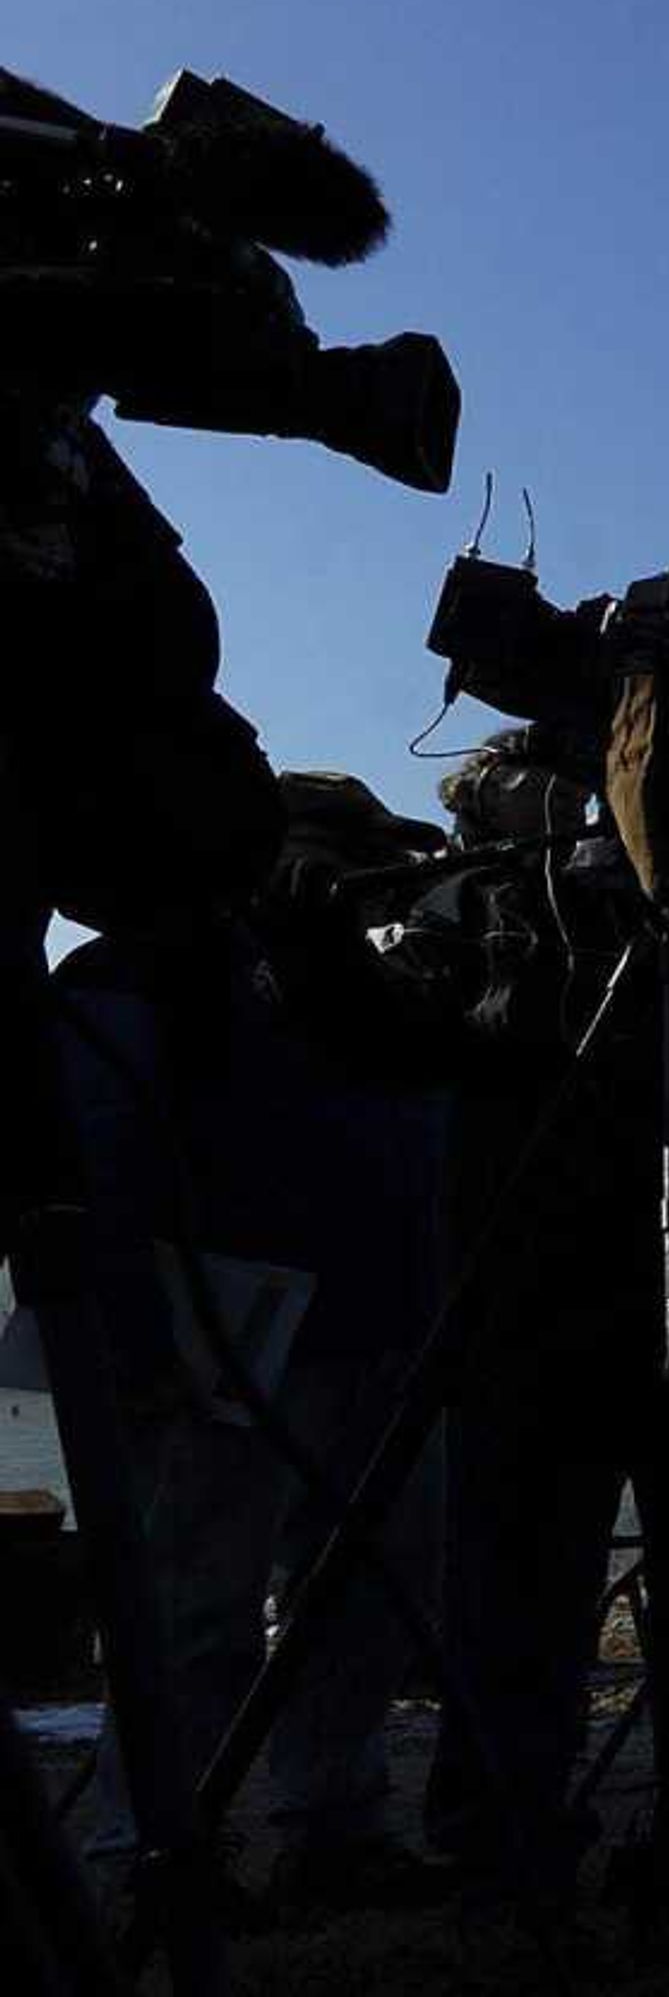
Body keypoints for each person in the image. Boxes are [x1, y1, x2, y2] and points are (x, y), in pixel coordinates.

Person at [52, 772, 457, 1915]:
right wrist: (132, 1325)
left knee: (363, 1592)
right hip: (213, 1337)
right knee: (193, 1603)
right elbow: (97, 1153)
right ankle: (154, 1849)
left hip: (370, 1326)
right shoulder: (143, 972)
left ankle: (334, 1824)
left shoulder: (380, 986)